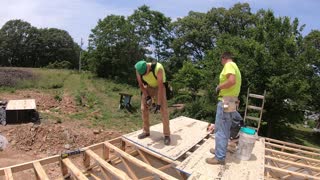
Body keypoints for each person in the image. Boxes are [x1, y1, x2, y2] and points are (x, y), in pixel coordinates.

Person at [206, 52, 242, 165]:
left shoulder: (229, 65)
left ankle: (219, 157)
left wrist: (219, 87)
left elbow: (231, 81)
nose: (221, 62)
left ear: (224, 58)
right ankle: (219, 151)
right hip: (231, 101)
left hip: (225, 101)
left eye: (221, 60)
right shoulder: (236, 67)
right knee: (225, 128)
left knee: (221, 129)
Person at [134, 60, 171, 145]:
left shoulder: (158, 68)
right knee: (143, 108)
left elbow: (161, 87)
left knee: (163, 110)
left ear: (148, 67)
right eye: (142, 74)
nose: (144, 75)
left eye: (145, 73)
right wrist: (147, 97)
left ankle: (167, 135)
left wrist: (158, 104)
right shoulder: (138, 69)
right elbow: (141, 85)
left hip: (160, 87)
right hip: (149, 86)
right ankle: (146, 131)